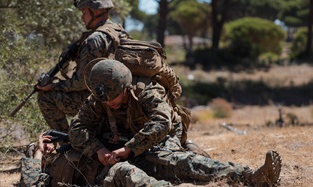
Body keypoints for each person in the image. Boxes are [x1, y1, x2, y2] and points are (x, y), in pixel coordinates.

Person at [68, 59, 282, 186]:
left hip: (158, 139)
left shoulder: (146, 92)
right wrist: (98, 149)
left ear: (125, 88)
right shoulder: (98, 99)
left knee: (172, 162)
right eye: (103, 100)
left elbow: (162, 123)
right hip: (123, 147)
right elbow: (76, 128)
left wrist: (130, 148)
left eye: (112, 99)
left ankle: (251, 177)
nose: (108, 104)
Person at [36, 0, 129, 132]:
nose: (82, 17)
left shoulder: (94, 40)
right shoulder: (119, 31)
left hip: (101, 100)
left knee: (46, 97)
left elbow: (83, 82)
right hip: (121, 97)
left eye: (84, 12)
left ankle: (67, 143)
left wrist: (55, 85)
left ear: (95, 12)